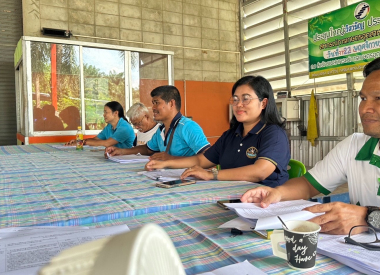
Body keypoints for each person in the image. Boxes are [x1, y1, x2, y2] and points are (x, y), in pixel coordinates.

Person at [241, 57, 380, 235]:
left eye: (378, 98)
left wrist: (368, 217)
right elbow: (307, 185)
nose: (364, 108)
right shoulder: (354, 146)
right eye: (363, 98)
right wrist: (278, 193)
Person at [145, 76, 290, 187]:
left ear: (263, 103)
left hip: (264, 204)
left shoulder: (273, 134)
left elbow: (260, 171)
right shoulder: (231, 135)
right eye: (235, 99)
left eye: (246, 99)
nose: (239, 104)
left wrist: (212, 175)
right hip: (230, 198)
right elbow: (201, 160)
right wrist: (166, 164)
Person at [106, 85, 210, 160]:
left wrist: (172, 159)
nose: (153, 108)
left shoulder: (187, 126)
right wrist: (121, 151)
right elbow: (147, 149)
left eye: (156, 103)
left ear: (171, 103)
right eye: (152, 103)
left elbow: (209, 157)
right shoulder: (162, 129)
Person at [65, 101, 135, 148]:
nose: (103, 115)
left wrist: (82, 142)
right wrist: (79, 141)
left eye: (106, 112)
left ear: (116, 113)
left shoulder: (124, 127)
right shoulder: (109, 126)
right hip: (115, 156)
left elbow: (107, 143)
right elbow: (96, 139)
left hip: (126, 159)